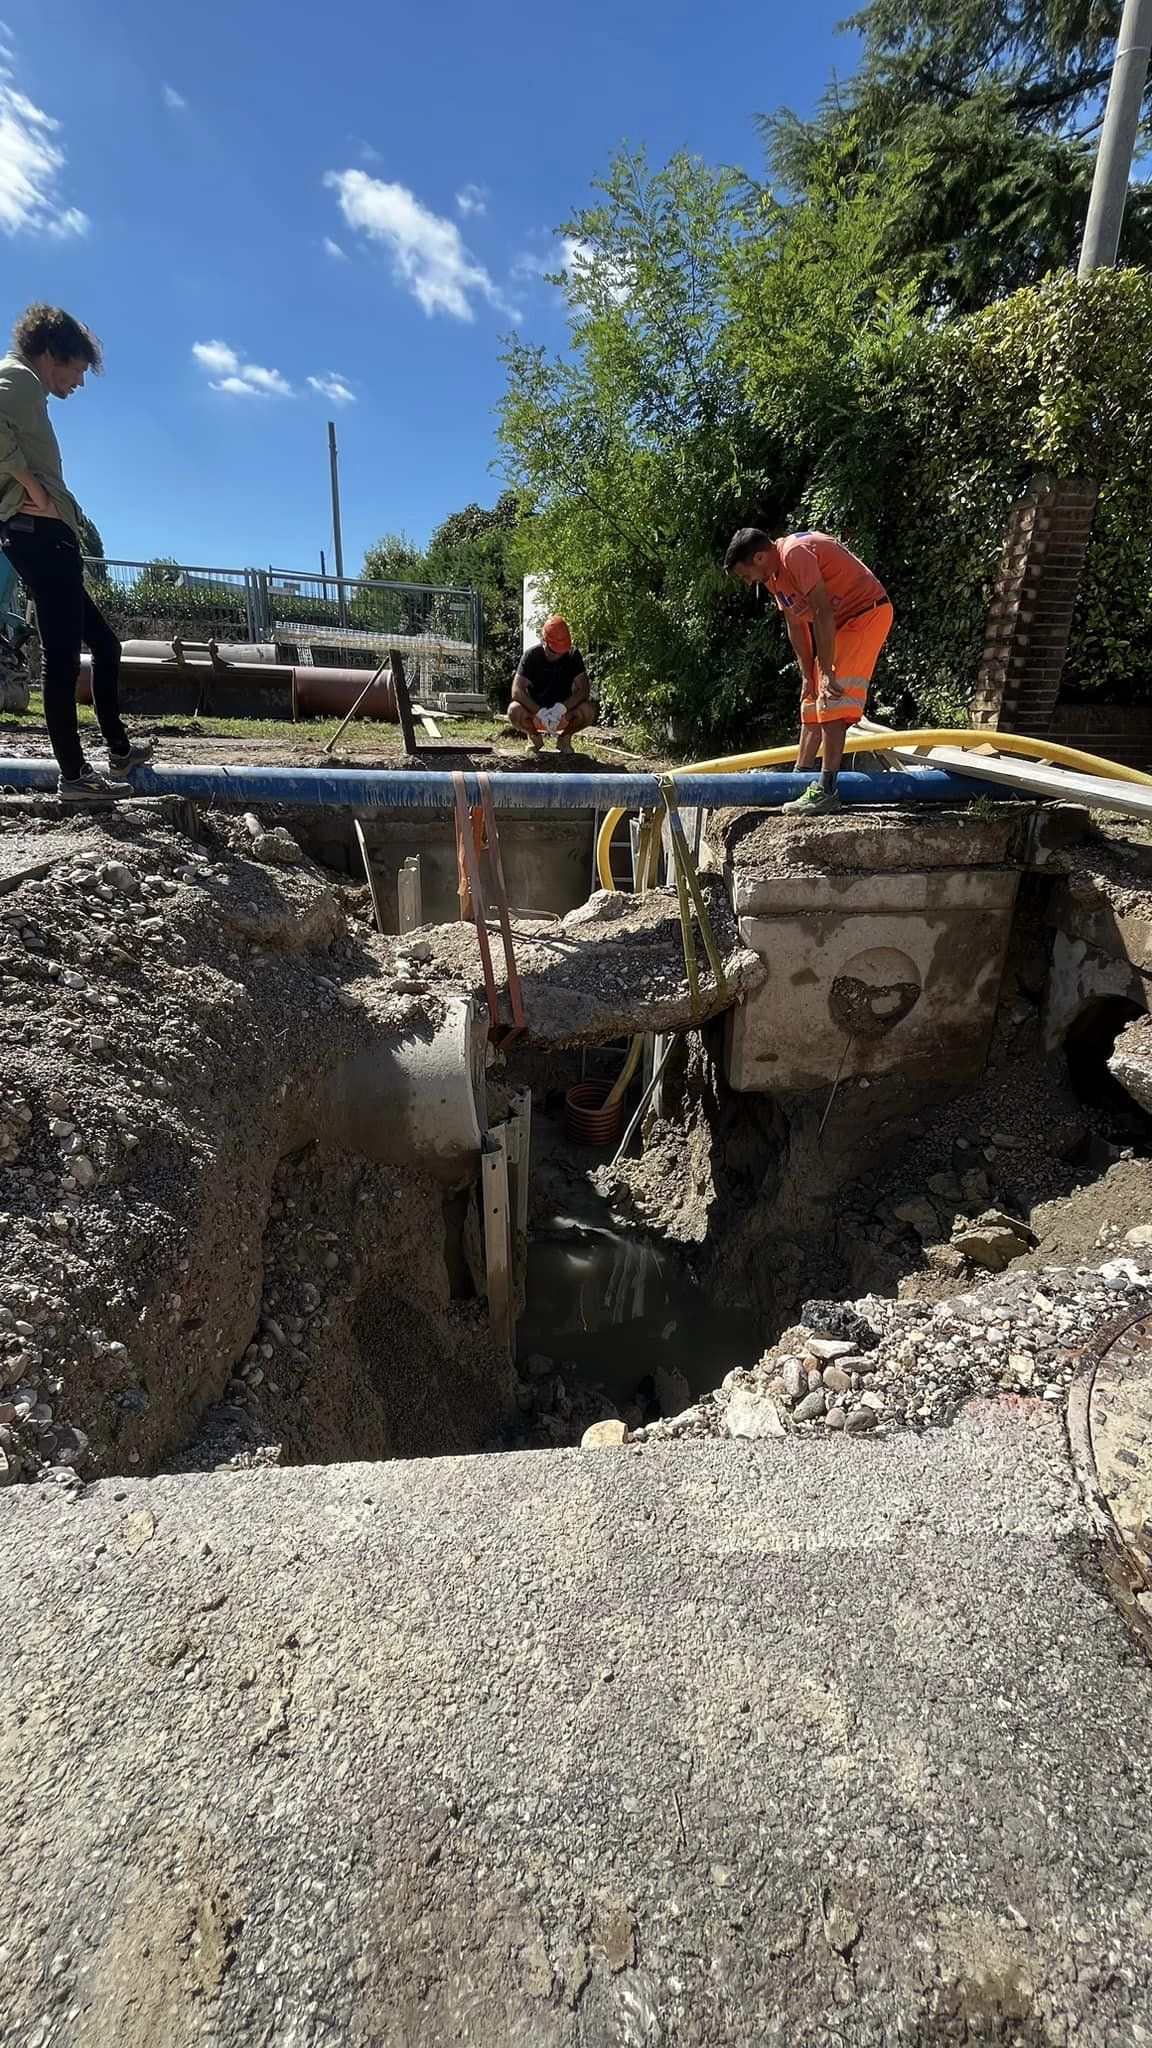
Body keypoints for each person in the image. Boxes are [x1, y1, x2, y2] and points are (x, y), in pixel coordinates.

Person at [0, 304, 152, 798]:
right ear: (52, 353)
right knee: (62, 659)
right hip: (37, 535)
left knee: (105, 645)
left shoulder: (28, 389)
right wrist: (35, 492)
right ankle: (74, 777)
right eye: (78, 370)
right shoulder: (17, 380)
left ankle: (118, 752)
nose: (80, 383)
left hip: (49, 537)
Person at [724, 527, 893, 816]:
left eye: (745, 574)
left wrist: (827, 671)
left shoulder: (794, 554)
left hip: (866, 613)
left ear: (760, 557)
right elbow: (797, 626)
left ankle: (827, 790)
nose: (747, 581)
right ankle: (799, 777)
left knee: (832, 696)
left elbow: (822, 612)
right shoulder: (773, 576)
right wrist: (808, 675)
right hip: (840, 624)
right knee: (813, 697)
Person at [508, 616, 598, 754]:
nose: (557, 655)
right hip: (536, 717)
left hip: (564, 716)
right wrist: (540, 712)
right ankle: (534, 738)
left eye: (561, 651)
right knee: (514, 710)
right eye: (554, 651)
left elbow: (583, 690)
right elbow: (517, 691)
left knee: (588, 710)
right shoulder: (531, 656)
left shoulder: (573, 655)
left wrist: (561, 709)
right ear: (544, 641)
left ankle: (564, 739)